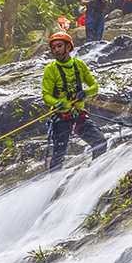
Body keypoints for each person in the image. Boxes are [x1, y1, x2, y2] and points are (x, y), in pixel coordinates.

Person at [41, 29, 108, 172]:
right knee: (58, 155)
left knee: (100, 142)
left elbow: (94, 87)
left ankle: (94, 174)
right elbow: (46, 96)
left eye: (59, 46)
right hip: (61, 117)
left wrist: (85, 93)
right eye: (53, 48)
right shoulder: (50, 70)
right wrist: (56, 103)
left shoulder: (79, 65)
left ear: (68, 47)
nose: (56, 50)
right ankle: (53, 183)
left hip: (78, 115)